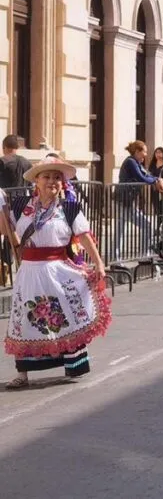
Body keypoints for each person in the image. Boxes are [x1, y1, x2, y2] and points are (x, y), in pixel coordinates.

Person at [4, 156, 110, 388]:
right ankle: (23, 373)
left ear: (63, 183)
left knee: (66, 314)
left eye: (56, 177)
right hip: (29, 272)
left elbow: (84, 236)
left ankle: (74, 364)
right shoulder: (21, 206)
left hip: (58, 271)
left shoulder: (69, 208)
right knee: (25, 319)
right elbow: (7, 230)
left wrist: (98, 263)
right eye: (47, 176)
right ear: (37, 181)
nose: (52, 181)